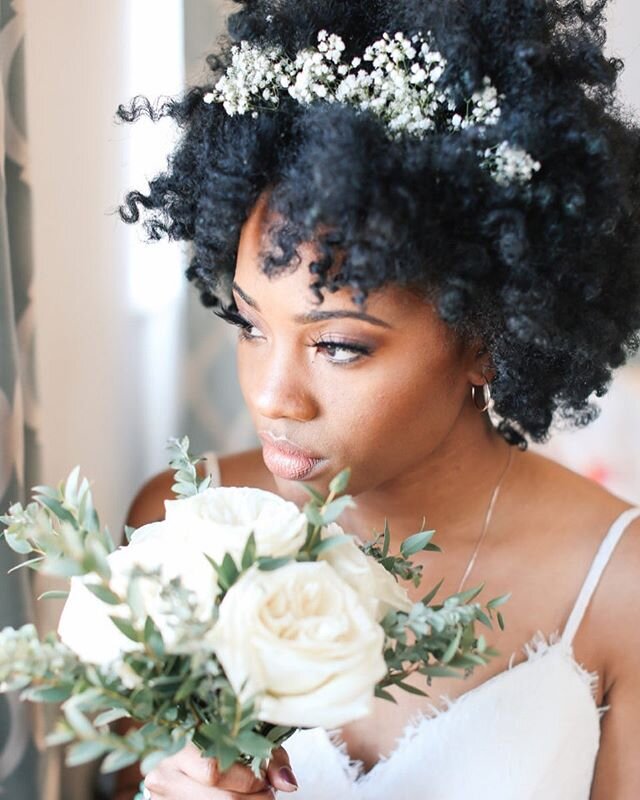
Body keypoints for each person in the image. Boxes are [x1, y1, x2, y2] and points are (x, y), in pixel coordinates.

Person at [113, 0, 640, 797]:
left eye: (337, 345)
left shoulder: (618, 587)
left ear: (487, 343)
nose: (272, 397)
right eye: (251, 325)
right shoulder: (178, 531)